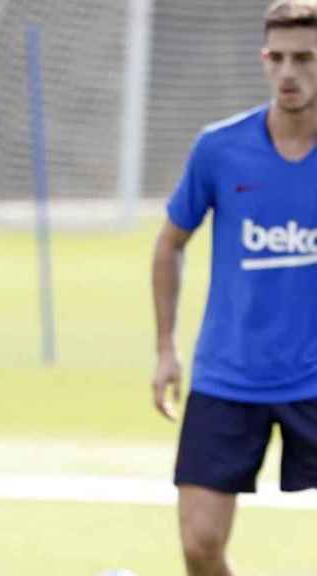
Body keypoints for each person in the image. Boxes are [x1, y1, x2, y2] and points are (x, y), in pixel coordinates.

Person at [151, 1, 317, 574]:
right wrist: (166, 348)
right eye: (278, 57)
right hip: (229, 374)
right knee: (199, 546)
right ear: (264, 59)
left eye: (305, 58)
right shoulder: (219, 148)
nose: (289, 72)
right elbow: (170, 242)